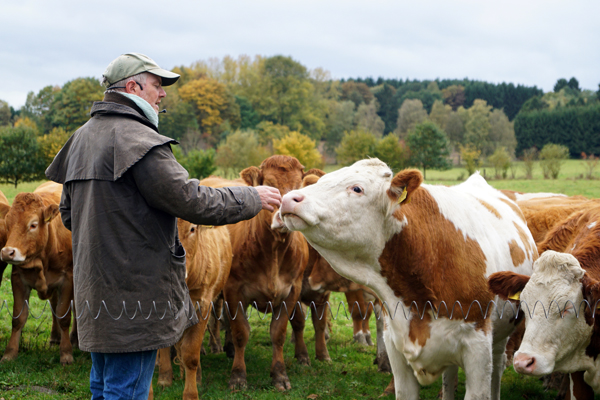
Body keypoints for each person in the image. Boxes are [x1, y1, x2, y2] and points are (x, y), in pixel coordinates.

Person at [46, 52, 281, 400]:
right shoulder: (140, 142)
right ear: (132, 87)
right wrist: (251, 197)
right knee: (126, 390)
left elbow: (69, 214)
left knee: (105, 385)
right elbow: (193, 201)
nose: (163, 93)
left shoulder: (80, 139)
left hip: (94, 289)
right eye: (157, 85)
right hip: (136, 295)